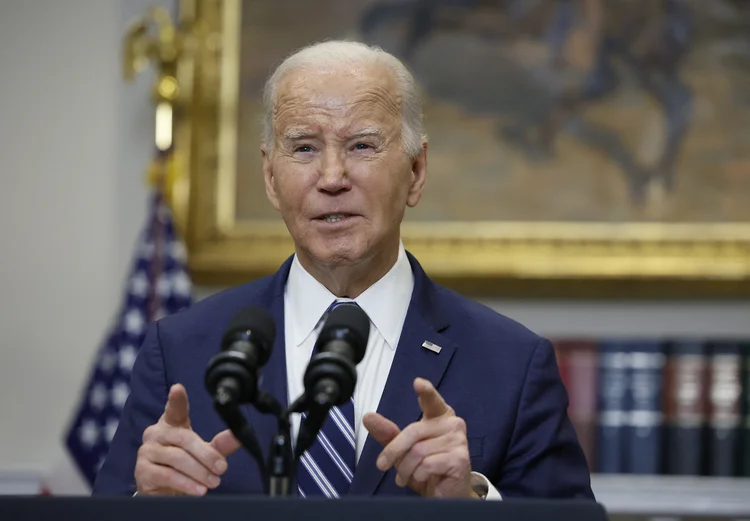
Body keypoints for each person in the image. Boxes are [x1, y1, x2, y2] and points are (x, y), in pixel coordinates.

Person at [93, 39, 594, 500]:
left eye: (362, 146)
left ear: (416, 172)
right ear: (271, 178)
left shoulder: (513, 364)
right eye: (304, 148)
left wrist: (469, 503)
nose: (332, 178)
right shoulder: (180, 350)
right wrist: (148, 508)